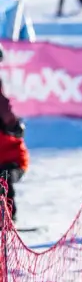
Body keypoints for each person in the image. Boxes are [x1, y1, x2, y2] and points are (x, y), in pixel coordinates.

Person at [0, 44, 28, 224]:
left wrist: (13, 125)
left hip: (11, 160)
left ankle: (8, 217)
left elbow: (6, 113)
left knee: (3, 176)